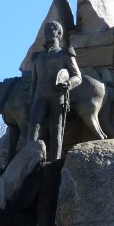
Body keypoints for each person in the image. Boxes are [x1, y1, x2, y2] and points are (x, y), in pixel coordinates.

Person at [26, 21, 82, 160]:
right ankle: (28, 160)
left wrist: (68, 83)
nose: (47, 31)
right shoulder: (37, 57)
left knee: (56, 130)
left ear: (58, 33)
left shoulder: (65, 53)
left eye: (51, 29)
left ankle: (54, 162)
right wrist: (31, 100)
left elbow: (78, 76)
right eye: (46, 29)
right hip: (40, 97)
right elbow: (34, 82)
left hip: (58, 96)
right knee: (33, 127)